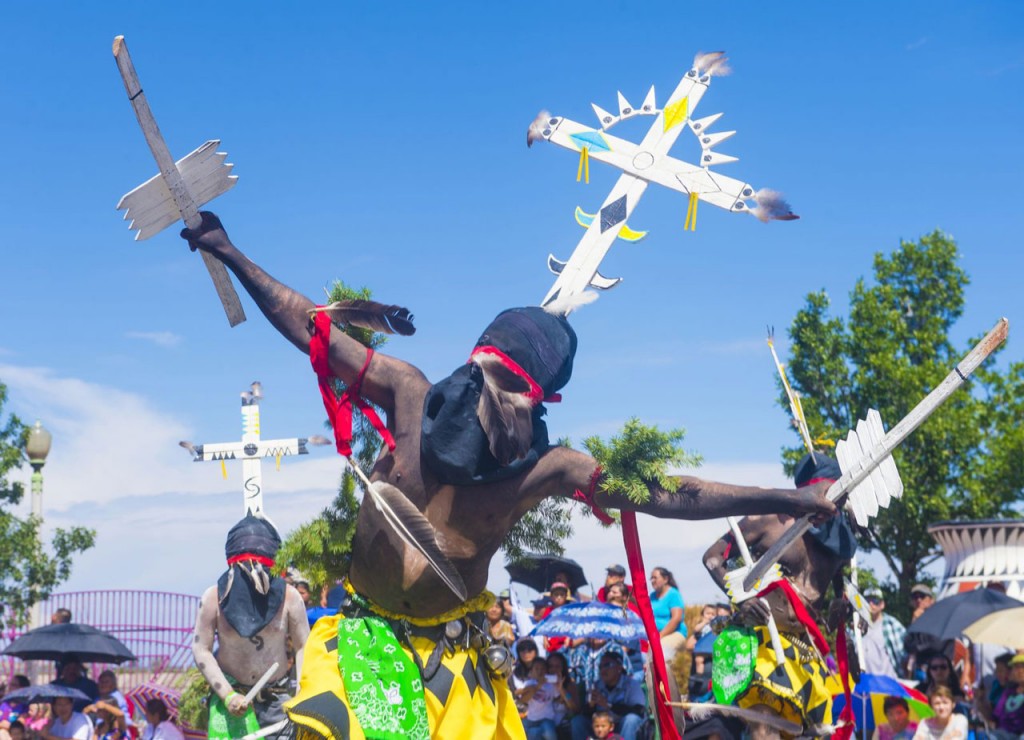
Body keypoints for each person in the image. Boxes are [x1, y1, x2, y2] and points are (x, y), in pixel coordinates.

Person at [179, 212, 837, 739]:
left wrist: (782, 496)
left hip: (457, 665)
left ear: (537, 404)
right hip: (363, 644)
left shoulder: (548, 468)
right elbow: (308, 326)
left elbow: (666, 492)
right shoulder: (408, 393)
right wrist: (230, 252)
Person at [702, 452, 860, 736]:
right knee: (766, 731)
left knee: (804, 733)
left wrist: (844, 612)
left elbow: (837, 590)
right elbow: (713, 558)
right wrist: (743, 599)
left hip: (803, 651)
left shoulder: (841, 539)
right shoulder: (768, 520)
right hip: (760, 640)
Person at [193, 514, 309, 738]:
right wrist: (227, 695)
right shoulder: (213, 598)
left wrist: (301, 693)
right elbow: (200, 649)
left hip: (278, 701)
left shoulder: (290, 597)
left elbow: (304, 645)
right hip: (232, 702)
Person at [580, 652, 645, 740]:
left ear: (619, 667)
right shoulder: (596, 685)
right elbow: (586, 713)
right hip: (601, 727)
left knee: (631, 719)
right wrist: (591, 706)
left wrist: (608, 705)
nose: (603, 669)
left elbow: (639, 711)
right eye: (600, 666)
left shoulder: (631, 685)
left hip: (624, 727)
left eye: (607, 665)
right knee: (578, 721)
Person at [511, 639, 557, 740]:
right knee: (530, 732)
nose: (526, 653)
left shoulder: (550, 681)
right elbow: (519, 695)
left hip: (547, 718)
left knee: (548, 732)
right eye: (522, 650)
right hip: (528, 715)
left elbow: (558, 697)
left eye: (530, 649)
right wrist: (536, 686)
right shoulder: (518, 673)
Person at [862, 588, 906, 679]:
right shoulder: (857, 627)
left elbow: (906, 654)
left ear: (882, 604)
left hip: (889, 684)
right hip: (866, 685)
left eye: (875, 601)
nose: (871, 604)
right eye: (867, 601)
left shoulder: (892, 624)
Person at [648, 567, 687, 662]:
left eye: (655, 578)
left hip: (674, 633)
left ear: (665, 579)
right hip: (655, 635)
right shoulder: (652, 596)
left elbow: (676, 618)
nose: (652, 581)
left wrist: (660, 635)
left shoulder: (673, 594)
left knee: (659, 650)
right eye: (651, 578)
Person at [546, 652, 582, 740]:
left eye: (557, 666)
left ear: (563, 668)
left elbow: (575, 708)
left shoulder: (569, 684)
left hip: (563, 725)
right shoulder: (540, 683)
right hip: (545, 724)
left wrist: (562, 690)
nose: (554, 669)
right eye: (551, 666)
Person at [992, 654, 1024, 737]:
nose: (1012, 671)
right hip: (1002, 734)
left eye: (1016, 667)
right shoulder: (1009, 691)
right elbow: (995, 716)